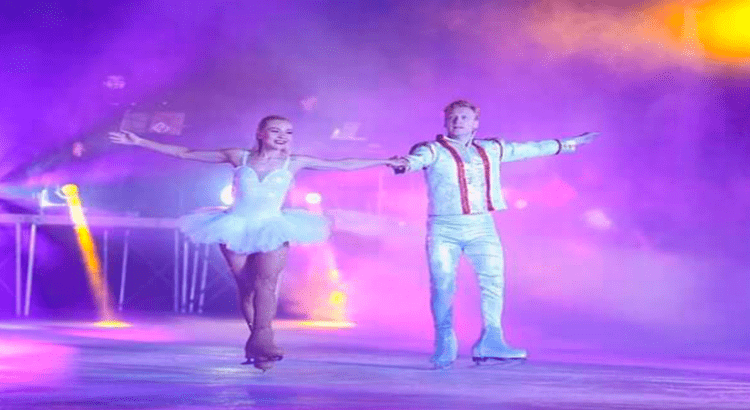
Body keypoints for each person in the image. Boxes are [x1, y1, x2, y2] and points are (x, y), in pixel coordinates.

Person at [110, 115, 401, 370]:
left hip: (273, 226)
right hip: (234, 225)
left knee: (266, 283)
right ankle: (257, 345)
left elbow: (343, 165)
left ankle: (265, 340)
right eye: (276, 130)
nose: (282, 136)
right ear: (260, 133)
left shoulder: (294, 161)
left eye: (287, 132)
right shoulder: (240, 157)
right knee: (247, 289)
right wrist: (140, 141)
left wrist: (384, 161)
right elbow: (186, 153)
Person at [392, 100, 597, 369]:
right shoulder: (432, 150)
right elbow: (415, 161)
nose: (458, 121)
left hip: (482, 226)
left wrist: (566, 143)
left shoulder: (491, 148)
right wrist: (405, 163)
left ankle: (492, 338)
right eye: (453, 117)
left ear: (475, 123)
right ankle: (444, 339)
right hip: (444, 228)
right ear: (445, 122)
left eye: (464, 117)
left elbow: (528, 149)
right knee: (443, 284)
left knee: (493, 281)